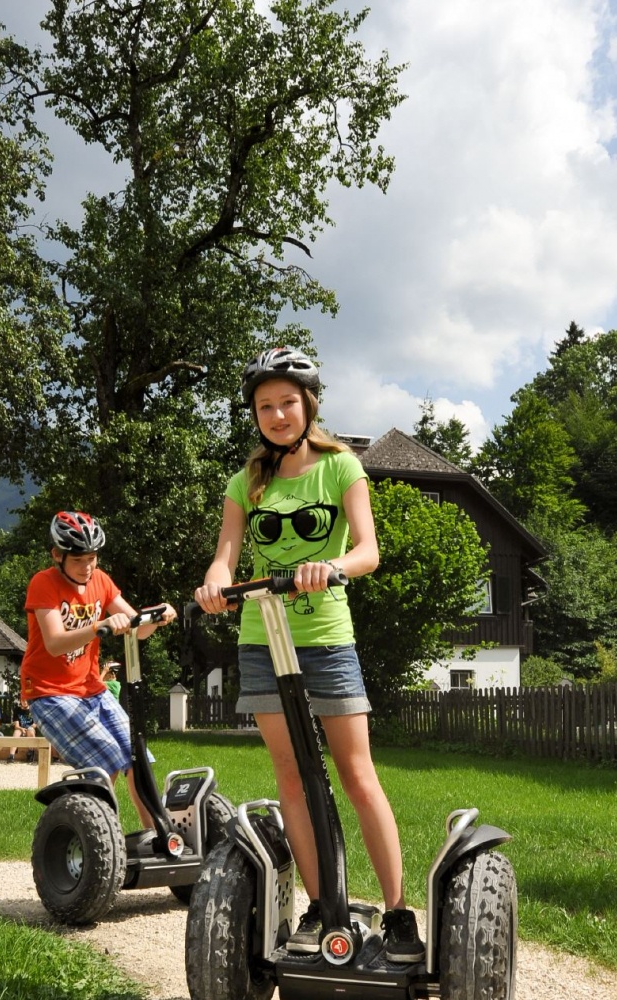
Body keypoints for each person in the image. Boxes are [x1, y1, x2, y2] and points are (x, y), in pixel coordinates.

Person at [192, 347, 424, 964]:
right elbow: (227, 553)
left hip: (325, 637)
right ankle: (324, 909)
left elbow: (368, 550)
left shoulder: (341, 466)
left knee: (356, 774)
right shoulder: (247, 482)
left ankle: (399, 914)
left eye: (286, 403)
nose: (276, 414)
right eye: (265, 406)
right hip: (263, 639)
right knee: (292, 778)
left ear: (308, 405)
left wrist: (332, 566)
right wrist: (215, 582)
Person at [22, 510, 176, 827]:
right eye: (79, 559)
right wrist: (99, 626)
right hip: (49, 693)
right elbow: (54, 643)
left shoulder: (101, 581)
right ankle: (98, 835)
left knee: (136, 755)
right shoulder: (43, 583)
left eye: (92, 557)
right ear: (57, 555)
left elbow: (136, 627)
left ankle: (159, 835)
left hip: (92, 689)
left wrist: (156, 617)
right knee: (106, 759)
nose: (88, 566)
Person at [6, 698, 37, 764]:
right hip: (20, 728)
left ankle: (30, 752)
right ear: (20, 701)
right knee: (16, 732)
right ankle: (11, 755)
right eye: (23, 700)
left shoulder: (33, 710)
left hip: (30, 728)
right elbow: (16, 725)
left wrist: (29, 727)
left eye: (26, 700)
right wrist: (21, 729)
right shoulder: (17, 710)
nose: (25, 702)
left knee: (31, 731)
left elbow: (35, 724)